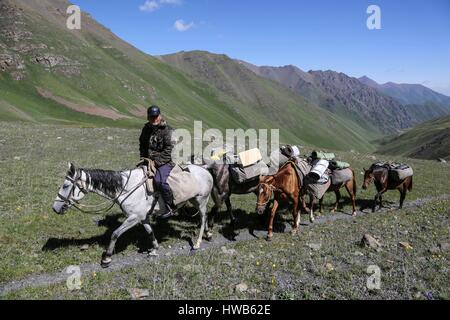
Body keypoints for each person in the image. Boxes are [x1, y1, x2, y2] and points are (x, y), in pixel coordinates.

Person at [139, 105, 176, 219]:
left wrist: (157, 162)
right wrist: (143, 158)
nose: (154, 119)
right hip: (149, 160)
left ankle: (171, 207)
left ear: (160, 116)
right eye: (151, 117)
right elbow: (142, 144)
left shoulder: (167, 130)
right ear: (148, 117)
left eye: (156, 116)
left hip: (166, 161)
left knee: (159, 181)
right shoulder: (146, 129)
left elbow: (169, 150)